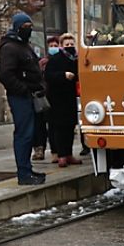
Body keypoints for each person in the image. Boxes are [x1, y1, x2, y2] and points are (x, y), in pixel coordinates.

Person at [0, 13, 46, 185]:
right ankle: (24, 173)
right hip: (21, 98)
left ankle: (27, 169)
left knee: (30, 133)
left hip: (30, 96)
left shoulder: (23, 46)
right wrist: (23, 89)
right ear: (17, 27)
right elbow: (5, 74)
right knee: (24, 135)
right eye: (26, 26)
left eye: (30, 26)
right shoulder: (10, 48)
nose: (29, 29)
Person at [44, 33, 81, 167]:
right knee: (59, 128)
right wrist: (63, 75)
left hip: (70, 97)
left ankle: (69, 153)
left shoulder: (75, 59)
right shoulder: (55, 59)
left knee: (70, 127)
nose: (70, 47)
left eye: (71, 44)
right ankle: (61, 155)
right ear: (61, 46)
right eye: (67, 45)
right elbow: (48, 76)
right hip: (57, 98)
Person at [34, 36, 59, 162]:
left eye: (56, 45)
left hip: (55, 97)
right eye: (51, 46)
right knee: (40, 124)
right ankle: (40, 149)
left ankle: (56, 151)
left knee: (54, 125)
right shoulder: (42, 63)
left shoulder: (61, 61)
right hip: (42, 96)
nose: (53, 48)